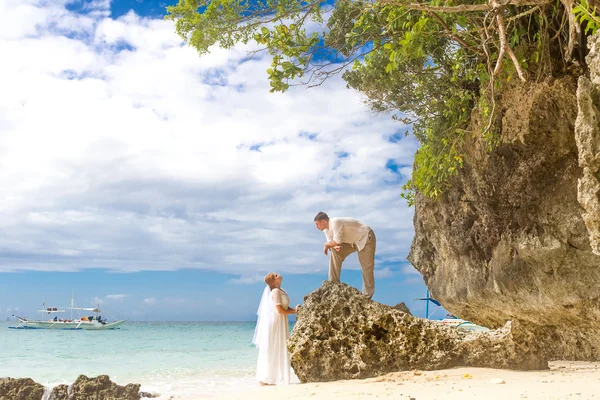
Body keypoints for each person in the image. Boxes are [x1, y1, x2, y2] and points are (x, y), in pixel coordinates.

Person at [314, 212, 376, 298]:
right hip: (351, 242)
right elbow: (333, 243)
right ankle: (333, 283)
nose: (316, 226)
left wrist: (328, 245)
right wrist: (335, 247)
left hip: (365, 238)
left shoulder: (335, 222)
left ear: (323, 221)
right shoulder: (326, 230)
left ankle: (367, 296)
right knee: (335, 253)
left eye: (317, 224)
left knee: (366, 268)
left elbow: (336, 242)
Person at [252, 272, 300, 386]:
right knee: (274, 347)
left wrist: (294, 309)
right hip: (276, 322)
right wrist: (294, 311)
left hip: (281, 321)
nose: (279, 275)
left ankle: (274, 376)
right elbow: (279, 310)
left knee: (279, 347)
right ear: (274, 281)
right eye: (276, 275)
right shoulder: (275, 291)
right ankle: (266, 377)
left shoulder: (281, 290)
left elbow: (284, 307)